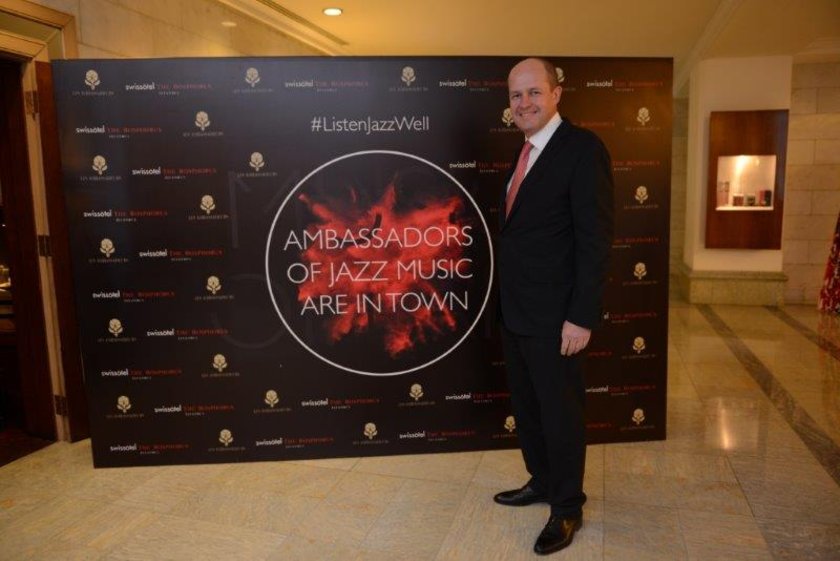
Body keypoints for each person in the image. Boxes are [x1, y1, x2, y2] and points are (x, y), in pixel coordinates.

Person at [494, 57, 614, 555]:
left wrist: (581, 316)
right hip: (516, 313)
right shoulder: (524, 152)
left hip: (558, 319)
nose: (524, 103)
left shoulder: (582, 149)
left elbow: (595, 240)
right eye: (515, 95)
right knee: (529, 409)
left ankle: (566, 508)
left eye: (533, 92)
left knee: (561, 416)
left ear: (557, 93)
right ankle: (542, 481)